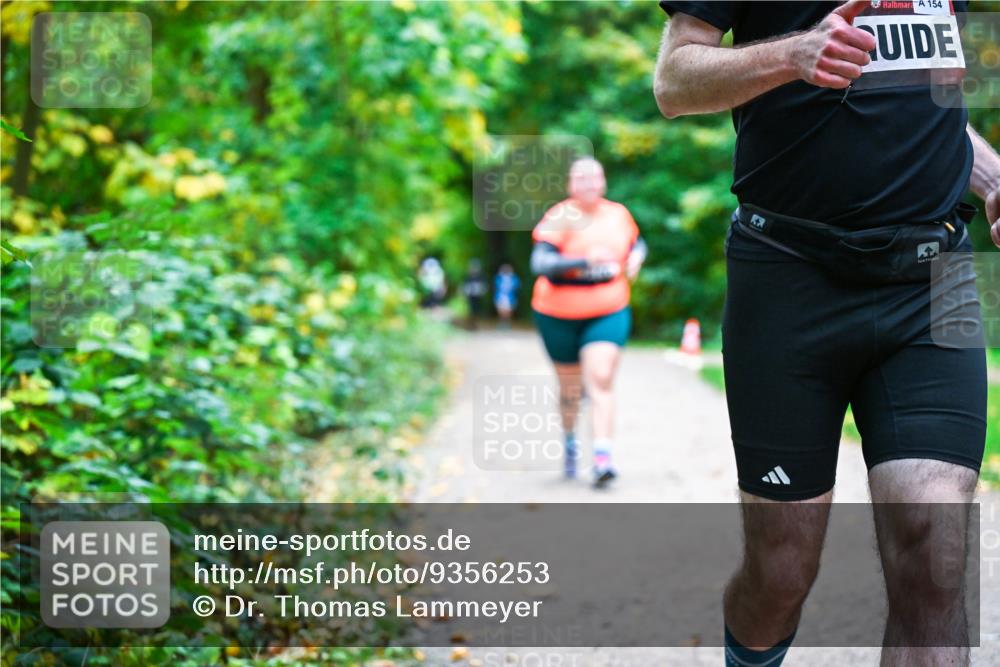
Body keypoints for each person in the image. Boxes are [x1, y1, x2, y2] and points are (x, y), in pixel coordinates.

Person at [654, 1, 1000, 665]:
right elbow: (674, 79)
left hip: (932, 282)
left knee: (935, 553)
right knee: (780, 573)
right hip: (788, 279)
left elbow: (926, 106)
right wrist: (792, 54)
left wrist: (990, 178)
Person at [530, 157, 647, 487]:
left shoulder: (618, 215)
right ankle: (570, 441)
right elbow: (540, 263)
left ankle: (602, 457)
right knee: (570, 386)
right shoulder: (559, 216)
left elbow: (637, 242)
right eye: (581, 179)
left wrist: (637, 256)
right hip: (558, 313)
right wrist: (584, 260)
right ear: (570, 185)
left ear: (604, 181)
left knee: (600, 377)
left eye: (595, 177)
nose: (589, 184)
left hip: (608, 308)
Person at [462, 259, 488, 330]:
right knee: (471, 310)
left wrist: (481, 290)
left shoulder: (481, 276)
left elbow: (484, 286)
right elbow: (464, 286)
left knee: (477, 310)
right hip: (470, 296)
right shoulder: (467, 277)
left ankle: (475, 324)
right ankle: (471, 324)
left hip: (478, 296)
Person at [493, 263, 521, 329]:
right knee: (501, 310)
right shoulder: (499, 278)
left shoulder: (514, 278)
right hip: (500, 296)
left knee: (509, 311)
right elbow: (496, 286)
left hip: (510, 297)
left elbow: (516, 286)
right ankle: (502, 323)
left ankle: (507, 324)